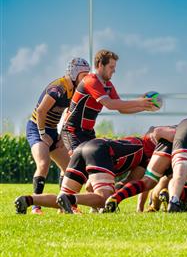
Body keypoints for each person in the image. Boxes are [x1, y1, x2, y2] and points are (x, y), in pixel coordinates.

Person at [14, 129, 156, 214]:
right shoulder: (148, 153)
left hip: (84, 148)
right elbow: (132, 182)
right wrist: (114, 197)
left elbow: (90, 186)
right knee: (103, 199)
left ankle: (29, 199)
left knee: (62, 197)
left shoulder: (137, 142)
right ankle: (70, 200)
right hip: (99, 151)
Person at [24, 58, 90, 214]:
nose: (87, 78)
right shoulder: (58, 88)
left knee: (69, 168)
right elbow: (41, 111)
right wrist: (42, 134)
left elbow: (68, 112)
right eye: (84, 74)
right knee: (43, 163)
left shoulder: (74, 90)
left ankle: (64, 205)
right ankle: (35, 206)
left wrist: (59, 134)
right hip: (36, 128)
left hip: (53, 131)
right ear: (74, 74)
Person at [61, 49, 158, 154]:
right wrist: (139, 102)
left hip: (87, 132)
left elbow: (121, 109)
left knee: (91, 162)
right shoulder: (91, 81)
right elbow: (110, 104)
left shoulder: (108, 85)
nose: (114, 71)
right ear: (100, 65)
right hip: (73, 131)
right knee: (78, 165)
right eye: (111, 67)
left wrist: (145, 107)